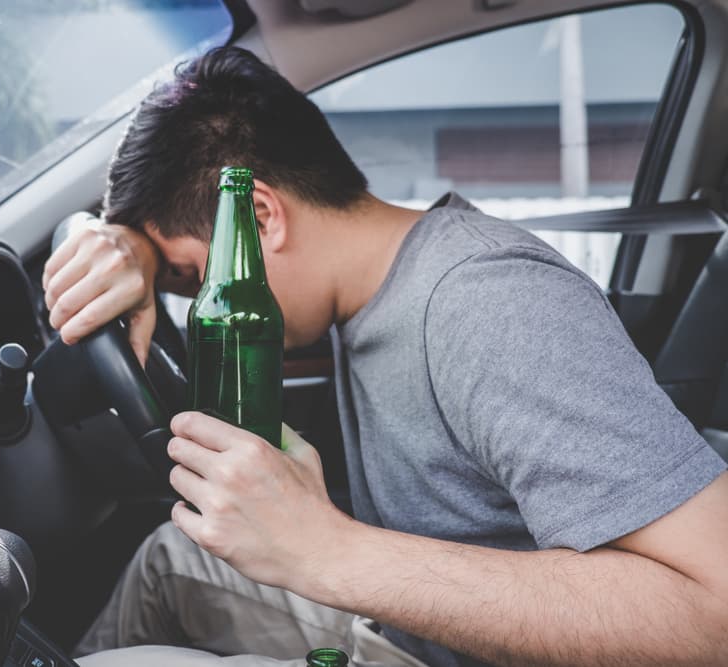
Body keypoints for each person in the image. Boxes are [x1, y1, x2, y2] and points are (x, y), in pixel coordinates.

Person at [41, 46, 728, 667]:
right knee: (174, 557)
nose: (203, 306)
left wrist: (330, 552)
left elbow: (716, 613)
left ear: (259, 218)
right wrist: (127, 245)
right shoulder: (356, 290)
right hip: (413, 629)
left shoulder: (489, 304)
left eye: (192, 276)